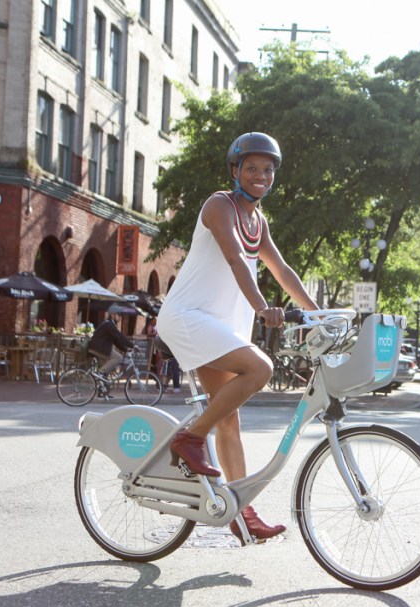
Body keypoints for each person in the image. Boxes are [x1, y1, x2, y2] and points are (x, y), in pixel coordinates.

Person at [156, 132, 318, 541]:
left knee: (230, 421)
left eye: (267, 170)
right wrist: (263, 306)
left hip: (218, 327)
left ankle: (241, 511)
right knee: (259, 368)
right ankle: (189, 438)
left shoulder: (258, 221)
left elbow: (283, 270)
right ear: (235, 170)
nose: (260, 175)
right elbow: (233, 258)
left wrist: (321, 315)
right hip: (189, 316)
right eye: (251, 168)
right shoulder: (219, 205)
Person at [88, 312, 132, 376]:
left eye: (121, 316)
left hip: (98, 348)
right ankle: (100, 372)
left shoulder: (110, 324)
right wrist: (132, 345)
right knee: (119, 358)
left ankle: (103, 385)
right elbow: (119, 336)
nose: (120, 317)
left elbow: (116, 341)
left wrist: (126, 349)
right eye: (119, 315)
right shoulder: (109, 324)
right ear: (113, 315)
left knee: (107, 370)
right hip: (98, 348)